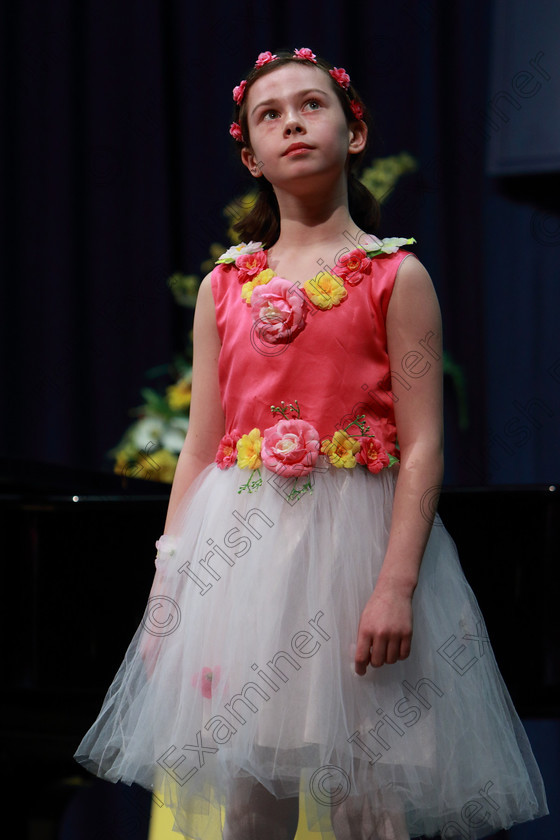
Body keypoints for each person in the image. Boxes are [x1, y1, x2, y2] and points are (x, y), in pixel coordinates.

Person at [75, 48, 548, 840]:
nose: (293, 121)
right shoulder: (227, 285)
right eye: (271, 114)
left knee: (371, 800)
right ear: (248, 154)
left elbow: (423, 445)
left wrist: (395, 584)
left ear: (354, 132)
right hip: (246, 565)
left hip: (357, 552)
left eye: (312, 105)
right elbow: (200, 447)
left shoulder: (395, 276)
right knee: (252, 798)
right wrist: (170, 591)